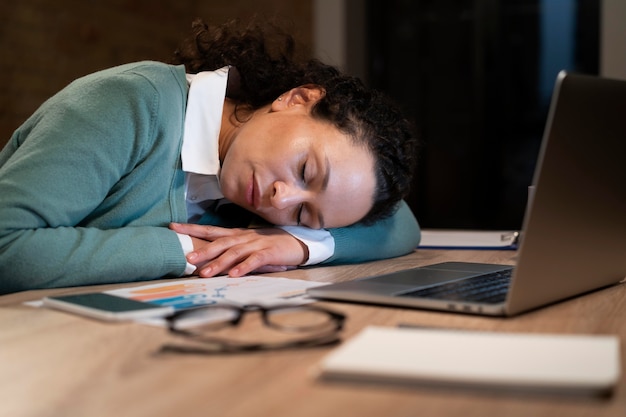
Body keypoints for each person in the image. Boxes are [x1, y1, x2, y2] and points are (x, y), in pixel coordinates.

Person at [0, 18, 420, 294]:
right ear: (297, 98)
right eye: (305, 170)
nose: (281, 199)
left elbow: (401, 225)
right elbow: (6, 248)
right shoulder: (130, 105)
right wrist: (187, 250)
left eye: (303, 215)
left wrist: (296, 245)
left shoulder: (246, 187)